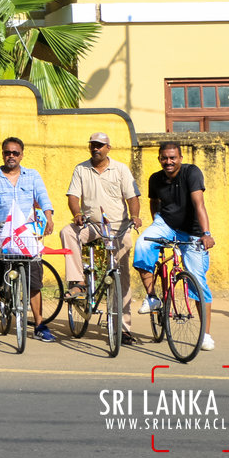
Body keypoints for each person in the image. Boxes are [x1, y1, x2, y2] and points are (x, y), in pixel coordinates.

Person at [133, 141, 217, 351]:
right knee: (142, 245)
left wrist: (206, 234)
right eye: (164, 158)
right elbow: (154, 202)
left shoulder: (191, 173)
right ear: (159, 158)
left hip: (192, 232)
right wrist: (156, 224)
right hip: (166, 224)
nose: (168, 162)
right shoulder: (155, 178)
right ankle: (152, 297)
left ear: (180, 158)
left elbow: (199, 204)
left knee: (198, 281)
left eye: (173, 158)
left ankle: (205, 335)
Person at [61, 132, 141, 346]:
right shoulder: (81, 169)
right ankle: (79, 281)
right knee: (67, 232)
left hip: (118, 228)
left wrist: (135, 217)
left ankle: (124, 329)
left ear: (108, 148)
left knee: (122, 278)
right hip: (92, 226)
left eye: (100, 145)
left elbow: (132, 197)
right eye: (93, 145)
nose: (95, 148)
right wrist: (77, 214)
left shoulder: (121, 169)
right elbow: (73, 197)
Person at [0, 137, 57, 343]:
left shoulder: (32, 176)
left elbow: (43, 196)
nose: (11, 156)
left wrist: (48, 216)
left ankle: (39, 325)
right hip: (0, 237)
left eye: (15, 153)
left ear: (22, 154)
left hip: (27, 237)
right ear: (2, 154)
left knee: (35, 283)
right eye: (7, 152)